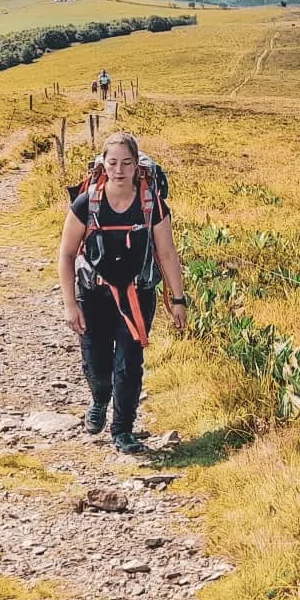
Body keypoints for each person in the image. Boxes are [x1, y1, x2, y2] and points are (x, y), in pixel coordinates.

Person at [58, 131, 185, 453]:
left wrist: (178, 300)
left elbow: (167, 253)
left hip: (137, 295)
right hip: (92, 294)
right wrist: (71, 305)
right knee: (97, 363)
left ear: (136, 167)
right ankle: (100, 399)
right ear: (103, 164)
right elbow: (67, 254)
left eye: (126, 163)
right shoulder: (86, 203)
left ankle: (122, 430)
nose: (119, 169)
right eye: (113, 162)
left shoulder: (151, 204)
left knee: (129, 363)